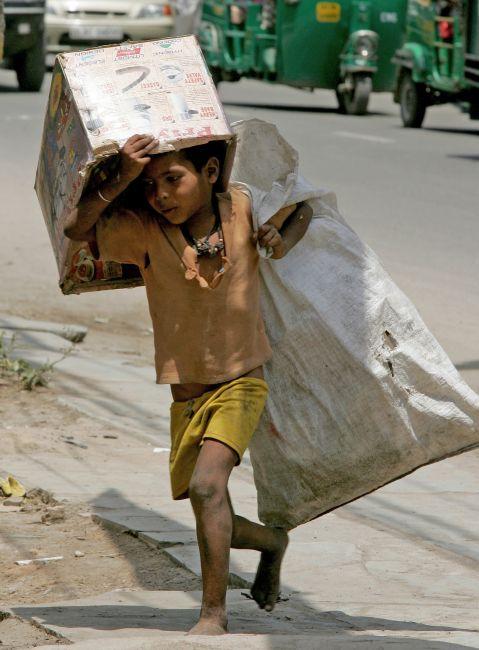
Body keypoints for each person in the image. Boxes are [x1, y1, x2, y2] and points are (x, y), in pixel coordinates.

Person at [64, 133, 313, 635]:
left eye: (173, 179)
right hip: (187, 395)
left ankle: (214, 615)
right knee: (208, 504)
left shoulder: (242, 208)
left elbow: (302, 206)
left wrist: (282, 235)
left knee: (206, 487)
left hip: (243, 381)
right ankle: (270, 542)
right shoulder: (142, 230)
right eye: (152, 185)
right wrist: (121, 179)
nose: (162, 194)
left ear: (213, 173)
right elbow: (76, 228)